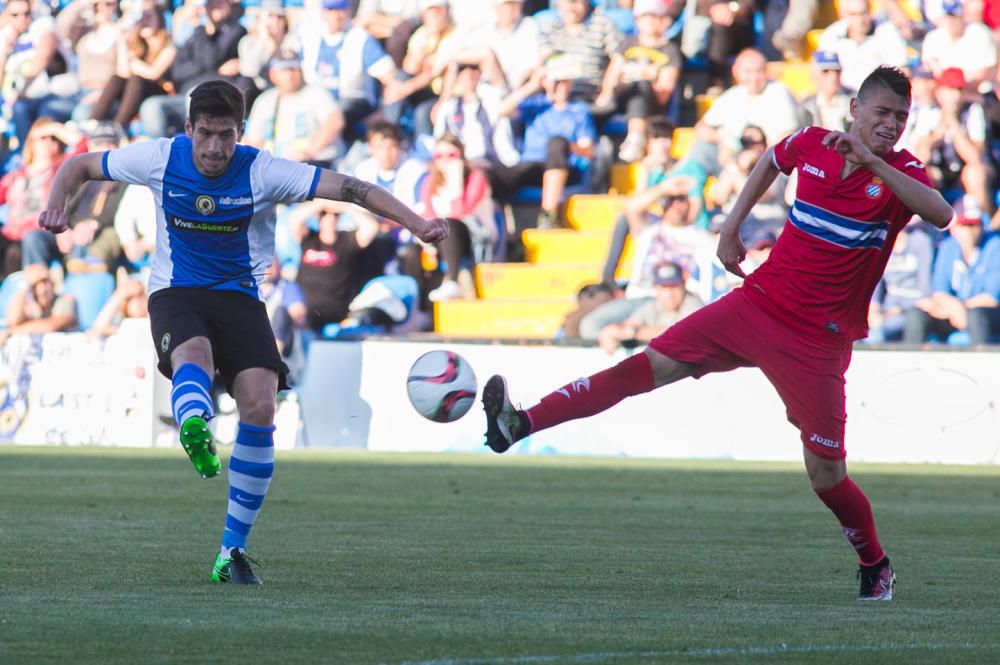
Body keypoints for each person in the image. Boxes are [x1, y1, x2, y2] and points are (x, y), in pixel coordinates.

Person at [481, 66, 953, 601]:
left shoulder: (903, 173)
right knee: (646, 367)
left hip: (817, 340)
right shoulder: (812, 144)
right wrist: (732, 226)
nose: (891, 125)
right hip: (758, 304)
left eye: (900, 117)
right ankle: (518, 423)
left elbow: (940, 214)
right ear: (855, 110)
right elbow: (773, 159)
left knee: (826, 475)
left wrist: (871, 161)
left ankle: (875, 562)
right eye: (882, 113)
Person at [39, 79, 448, 585]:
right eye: (205, 134)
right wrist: (59, 206)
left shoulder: (263, 171)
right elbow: (78, 165)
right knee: (194, 354)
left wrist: (416, 222)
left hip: (238, 295)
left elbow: (350, 189)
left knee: (260, 403)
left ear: (241, 132)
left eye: (225, 136)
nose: (214, 148)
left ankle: (231, 552)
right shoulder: (160, 159)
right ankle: (196, 423)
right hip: (176, 289)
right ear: (187, 129)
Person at [905, 197, 1000, 345]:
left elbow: (992, 297)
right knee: (917, 316)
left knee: (977, 317)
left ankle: (981, 366)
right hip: (953, 311)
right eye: (963, 224)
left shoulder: (995, 246)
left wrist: (957, 308)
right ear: (954, 228)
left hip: (985, 314)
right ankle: (910, 366)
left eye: (973, 225)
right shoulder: (948, 247)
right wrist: (955, 308)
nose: (968, 231)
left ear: (982, 226)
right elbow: (939, 291)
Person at [596, 261, 703, 355]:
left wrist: (633, 332)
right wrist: (611, 332)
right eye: (664, 287)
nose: (669, 294)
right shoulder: (654, 305)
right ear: (657, 288)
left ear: (683, 285)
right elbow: (631, 323)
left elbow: (681, 335)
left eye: (674, 286)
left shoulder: (694, 303)